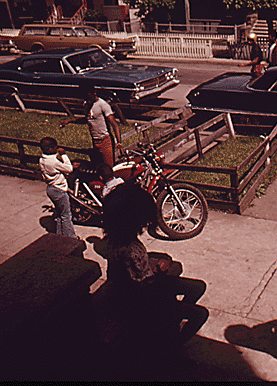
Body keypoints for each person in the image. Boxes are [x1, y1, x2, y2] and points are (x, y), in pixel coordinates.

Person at [99, 183, 209, 346]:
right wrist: (161, 270)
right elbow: (148, 288)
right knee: (200, 313)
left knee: (195, 286)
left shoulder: (114, 240)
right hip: (142, 300)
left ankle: (172, 320)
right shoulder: (131, 249)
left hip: (134, 290)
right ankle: (172, 344)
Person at [60, 86, 125, 167]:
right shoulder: (87, 104)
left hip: (105, 140)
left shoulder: (103, 105)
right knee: (98, 166)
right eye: (86, 98)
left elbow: (114, 125)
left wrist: (119, 143)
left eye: (89, 97)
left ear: (94, 93)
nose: (88, 100)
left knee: (108, 167)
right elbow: (88, 119)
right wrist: (69, 121)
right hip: (95, 140)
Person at [39, 136, 77, 238]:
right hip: (59, 190)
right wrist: (63, 155)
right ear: (51, 149)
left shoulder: (42, 160)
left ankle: (60, 237)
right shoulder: (54, 161)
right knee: (66, 216)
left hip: (51, 189)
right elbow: (69, 169)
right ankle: (71, 238)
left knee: (60, 214)